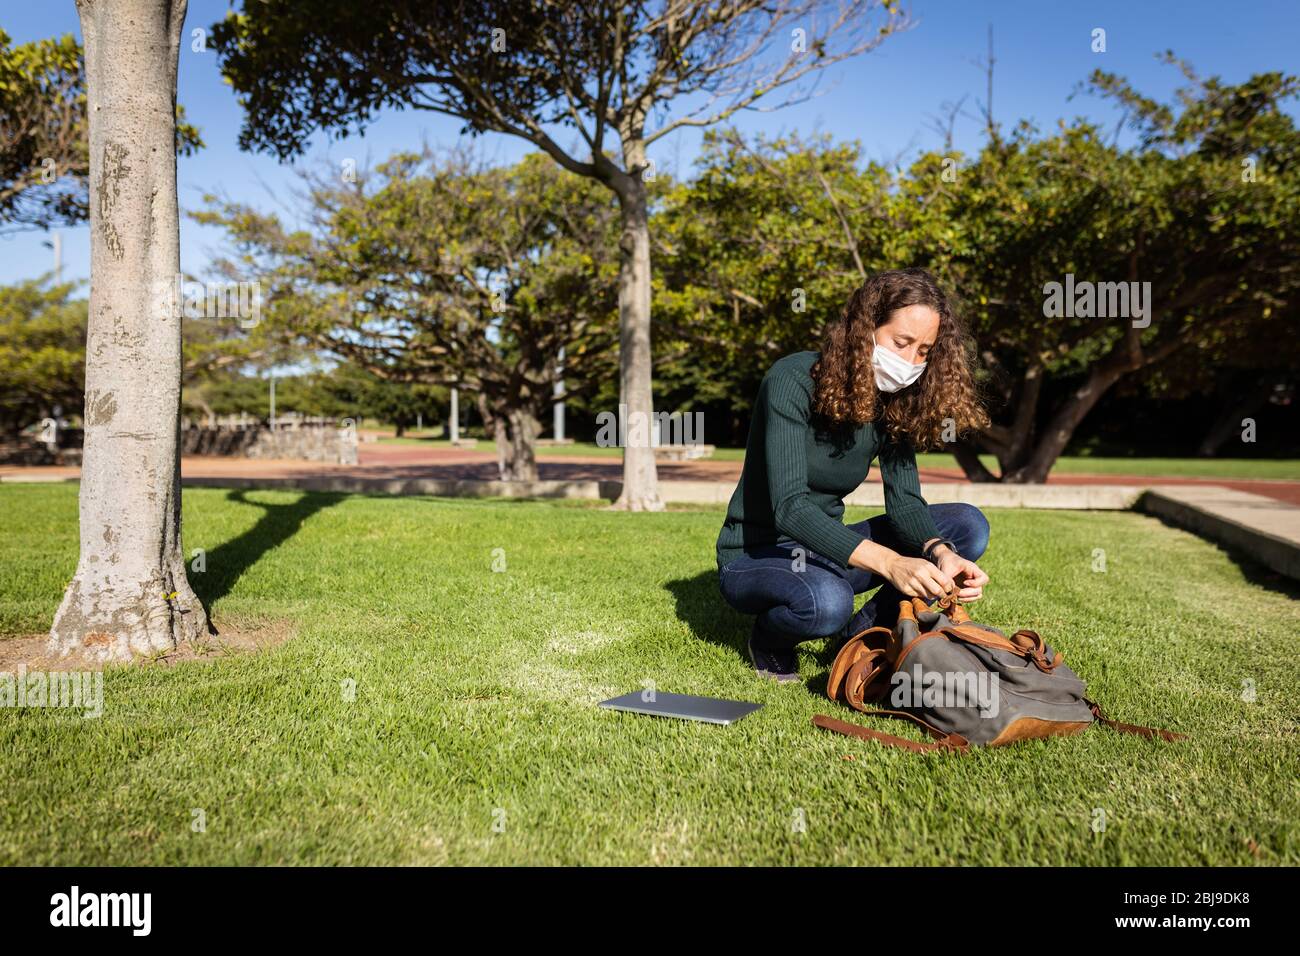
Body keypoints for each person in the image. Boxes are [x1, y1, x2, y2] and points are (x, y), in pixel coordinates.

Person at [716, 268, 992, 682]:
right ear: (864, 329)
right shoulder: (792, 379)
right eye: (901, 343)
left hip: (826, 548)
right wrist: (891, 563)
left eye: (924, 351)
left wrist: (939, 551)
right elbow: (790, 510)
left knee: (966, 526)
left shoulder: (894, 400)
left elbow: (905, 504)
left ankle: (856, 639)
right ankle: (770, 640)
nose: (911, 362)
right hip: (758, 553)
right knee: (827, 600)